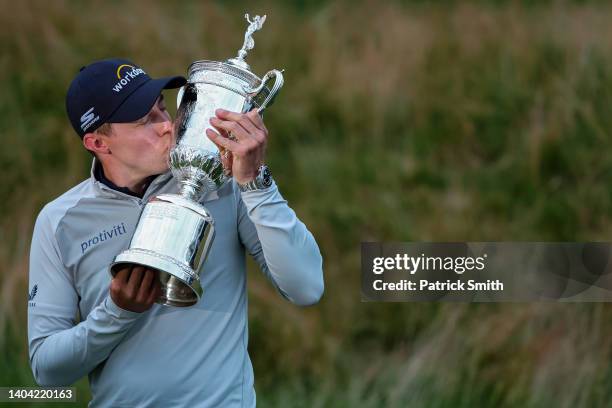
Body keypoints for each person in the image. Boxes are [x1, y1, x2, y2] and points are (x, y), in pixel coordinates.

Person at [27, 58, 324, 407]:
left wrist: (257, 184)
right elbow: (46, 369)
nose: (167, 126)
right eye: (145, 120)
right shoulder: (59, 221)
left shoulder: (224, 181)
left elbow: (307, 287)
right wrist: (117, 313)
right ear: (98, 143)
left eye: (162, 108)